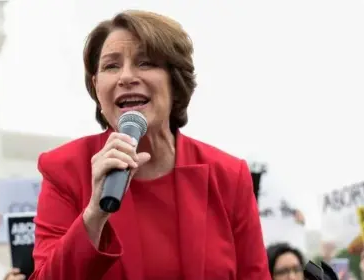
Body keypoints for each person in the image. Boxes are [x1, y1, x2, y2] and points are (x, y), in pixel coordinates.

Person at [30, 10, 269, 280]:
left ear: (174, 80)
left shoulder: (228, 176)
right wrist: (93, 216)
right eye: (111, 66)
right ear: (97, 86)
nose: (126, 77)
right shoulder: (64, 170)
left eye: (145, 63)